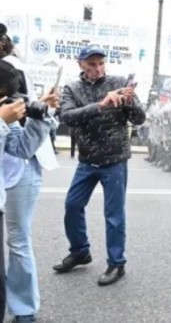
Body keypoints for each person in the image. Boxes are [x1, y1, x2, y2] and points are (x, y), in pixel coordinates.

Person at [53, 44, 145, 286]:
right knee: (72, 205)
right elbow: (67, 116)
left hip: (114, 159)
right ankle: (80, 251)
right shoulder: (72, 88)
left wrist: (129, 101)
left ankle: (117, 263)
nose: (98, 68)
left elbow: (140, 119)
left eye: (101, 63)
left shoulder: (119, 81)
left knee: (114, 214)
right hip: (87, 160)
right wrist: (101, 105)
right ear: (81, 65)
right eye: (92, 64)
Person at [2, 25, 60, 323]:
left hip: (15, 170)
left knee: (18, 239)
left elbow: (19, 141)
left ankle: (24, 309)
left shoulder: (13, 70)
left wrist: (42, 114)